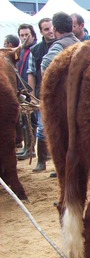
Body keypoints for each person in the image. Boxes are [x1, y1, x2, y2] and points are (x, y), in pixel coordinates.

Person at [34, 12, 79, 174]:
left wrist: (53, 87)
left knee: (60, 136)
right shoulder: (78, 42)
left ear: (55, 28)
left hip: (64, 99)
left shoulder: (58, 46)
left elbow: (47, 65)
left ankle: (65, 170)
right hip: (78, 98)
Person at [26, 17, 55, 170]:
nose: (50, 31)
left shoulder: (62, 45)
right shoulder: (35, 50)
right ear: (41, 32)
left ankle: (58, 166)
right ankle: (41, 161)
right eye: (46, 29)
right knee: (42, 129)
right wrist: (31, 96)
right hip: (42, 95)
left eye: (51, 28)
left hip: (59, 96)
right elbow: (31, 73)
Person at [15, 24, 38, 161]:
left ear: (33, 35)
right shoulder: (21, 52)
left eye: (26, 35)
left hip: (32, 91)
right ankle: (26, 148)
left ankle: (31, 149)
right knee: (25, 119)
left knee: (33, 120)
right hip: (22, 90)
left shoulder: (34, 50)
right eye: (22, 35)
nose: (24, 38)